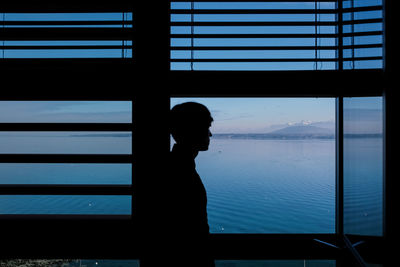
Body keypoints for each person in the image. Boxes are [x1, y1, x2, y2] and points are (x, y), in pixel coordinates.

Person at [166, 101, 215, 267]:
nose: (210, 134)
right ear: (193, 129)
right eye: (206, 127)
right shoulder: (181, 172)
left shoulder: (177, 166)